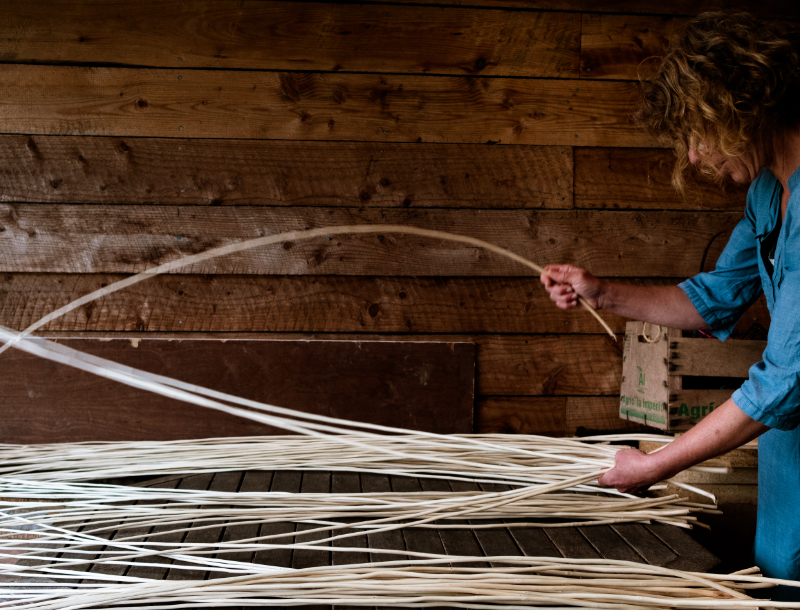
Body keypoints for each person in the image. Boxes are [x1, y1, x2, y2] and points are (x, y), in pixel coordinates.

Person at [540, 11, 800, 593]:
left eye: (693, 134)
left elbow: (788, 378)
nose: (690, 158)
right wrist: (600, 292)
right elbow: (715, 300)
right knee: (784, 577)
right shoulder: (768, 192)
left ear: (736, 107)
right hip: (789, 460)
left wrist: (654, 465)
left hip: (790, 421)